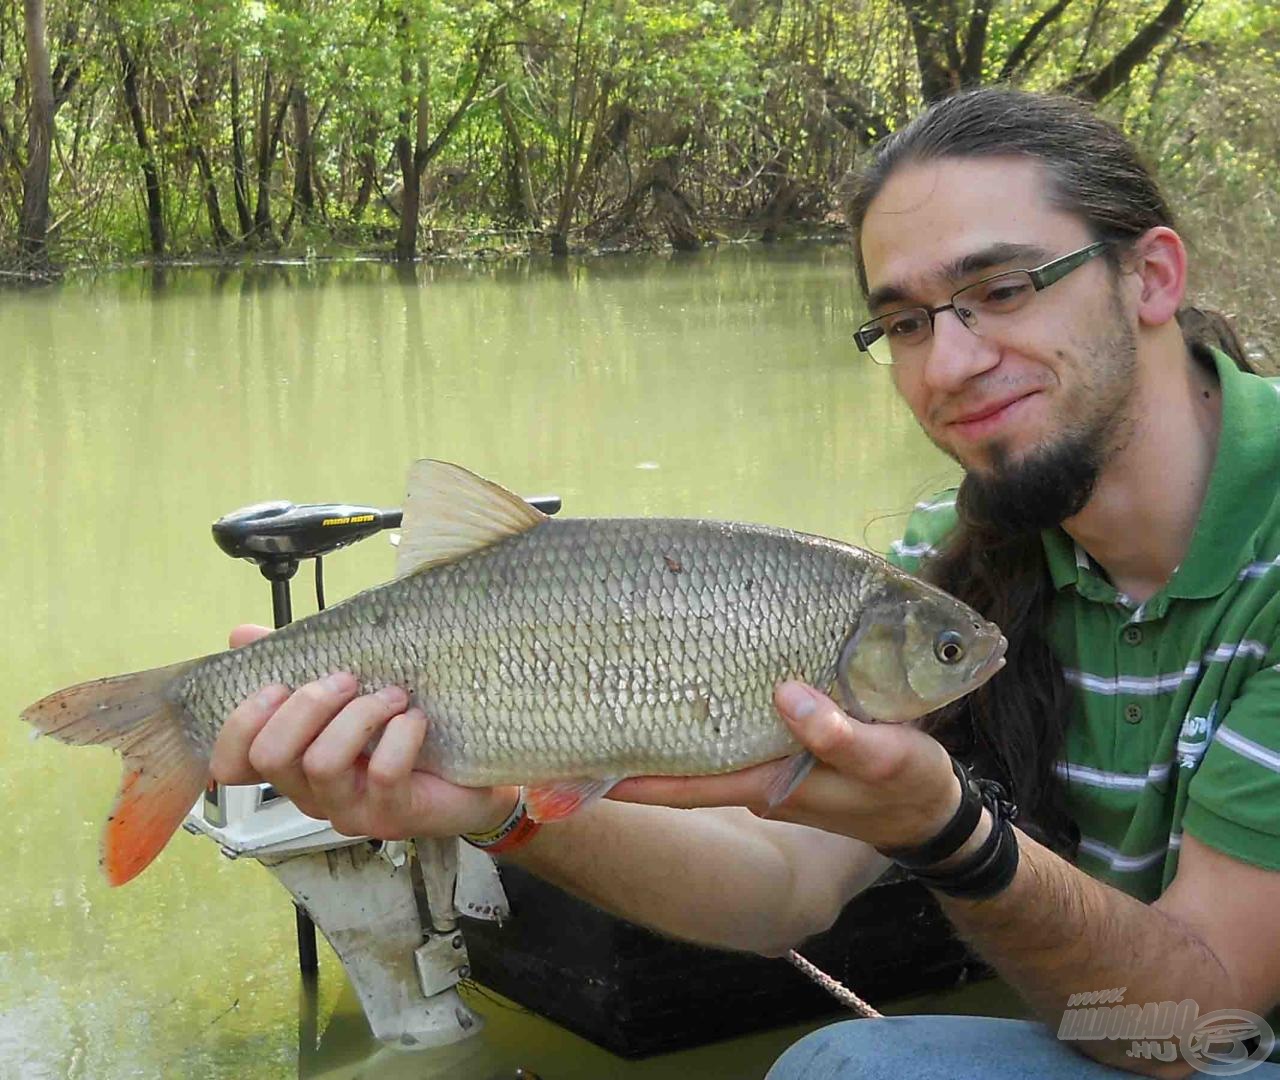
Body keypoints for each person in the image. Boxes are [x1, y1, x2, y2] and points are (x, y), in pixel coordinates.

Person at [212, 88, 1280, 1078]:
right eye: (904, 323)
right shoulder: (970, 556)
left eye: (998, 290)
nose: (946, 365)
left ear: (1150, 276)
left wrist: (950, 838)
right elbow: (779, 891)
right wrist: (493, 812)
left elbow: (1195, 1023)